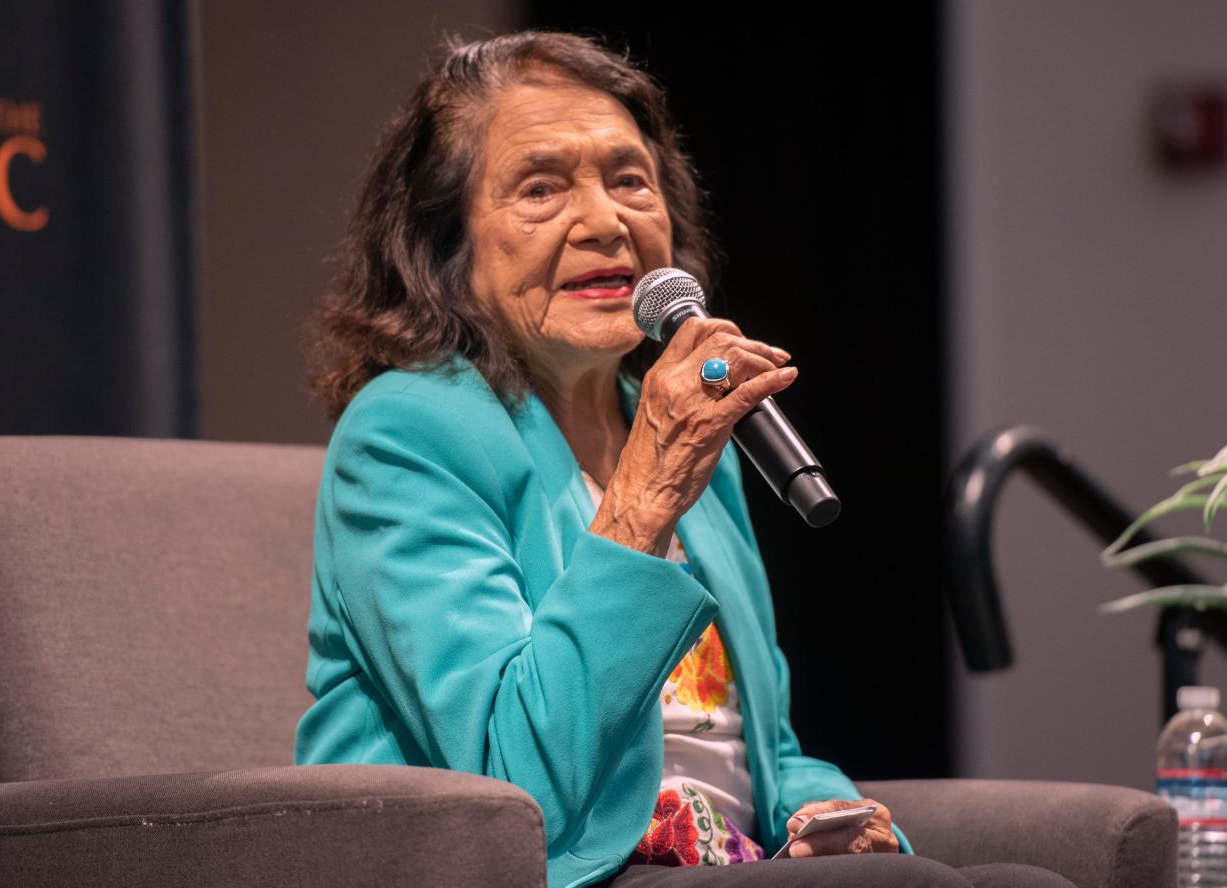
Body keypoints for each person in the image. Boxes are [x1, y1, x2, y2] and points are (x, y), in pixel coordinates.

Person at [293, 29, 1076, 888]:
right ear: (446, 248)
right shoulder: (411, 431)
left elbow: (760, 747)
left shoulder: (684, 433)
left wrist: (821, 810)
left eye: (631, 180)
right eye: (541, 188)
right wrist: (642, 496)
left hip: (721, 864)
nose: (606, 222)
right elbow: (513, 782)